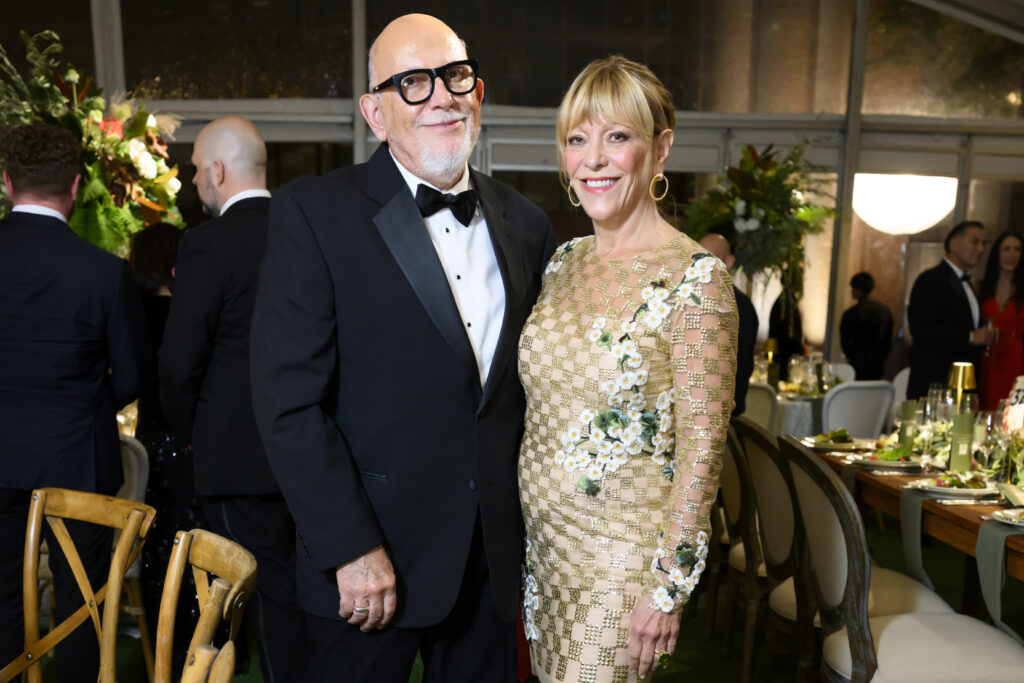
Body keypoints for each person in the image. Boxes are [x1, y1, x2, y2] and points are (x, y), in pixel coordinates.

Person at [249, 14, 555, 682]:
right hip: (369, 566)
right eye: (413, 82)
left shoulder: (528, 225)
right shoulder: (312, 213)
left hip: (488, 568)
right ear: (375, 113)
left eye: (455, 76)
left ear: (478, 93)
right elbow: (287, 402)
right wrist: (350, 546)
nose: (441, 96)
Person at [518, 56, 737, 682]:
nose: (593, 159)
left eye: (617, 137)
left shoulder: (697, 281)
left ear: (660, 149)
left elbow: (703, 451)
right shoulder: (563, 262)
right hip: (545, 552)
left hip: (623, 563)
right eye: (577, 139)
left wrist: (666, 588)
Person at [0, 123, 150, 680]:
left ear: (8, 181)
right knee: (81, 604)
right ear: (76, 184)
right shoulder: (105, 272)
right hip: (76, 459)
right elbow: (134, 375)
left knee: (1, 598)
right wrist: (85, 404)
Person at [159, 117, 306, 680]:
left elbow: (179, 360)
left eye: (197, 170)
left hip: (236, 458)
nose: (196, 181)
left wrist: (183, 431)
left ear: (217, 171)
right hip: (311, 449)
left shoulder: (206, 244)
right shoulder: (305, 230)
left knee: (260, 596)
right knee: (303, 588)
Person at [128, 222, 207, 673]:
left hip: (153, 439)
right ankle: (208, 644)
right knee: (200, 540)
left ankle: (167, 650)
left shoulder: (135, 312)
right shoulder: (191, 312)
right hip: (192, 436)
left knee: (160, 545)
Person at [907, 220, 997, 399]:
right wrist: (971, 337)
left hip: (962, 388)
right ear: (953, 243)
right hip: (934, 387)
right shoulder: (930, 280)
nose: (980, 249)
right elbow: (922, 331)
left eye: (983, 244)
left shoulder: (969, 285)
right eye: (974, 241)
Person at [699, 232, 757, 415]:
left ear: (729, 262)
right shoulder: (692, 298)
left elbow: (739, 365)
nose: (700, 265)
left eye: (708, 258)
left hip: (723, 412)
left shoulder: (741, 306)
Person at [978, 231, 1024, 410]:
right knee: (985, 407)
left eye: (1017, 249)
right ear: (997, 253)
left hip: (1017, 357)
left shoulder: (1022, 290)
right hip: (987, 357)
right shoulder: (980, 287)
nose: (1011, 255)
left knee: (1012, 411)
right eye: (1006, 249)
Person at [839, 271, 893, 380]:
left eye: (853, 288)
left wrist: (851, 355)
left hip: (856, 364)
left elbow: (845, 340)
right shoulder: (885, 311)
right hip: (878, 365)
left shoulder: (851, 313)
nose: (851, 291)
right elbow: (888, 338)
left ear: (858, 290)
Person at [768, 290, 804, 380]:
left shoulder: (786, 301)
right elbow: (787, 334)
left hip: (783, 358)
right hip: (784, 361)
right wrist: (800, 349)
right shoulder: (785, 303)